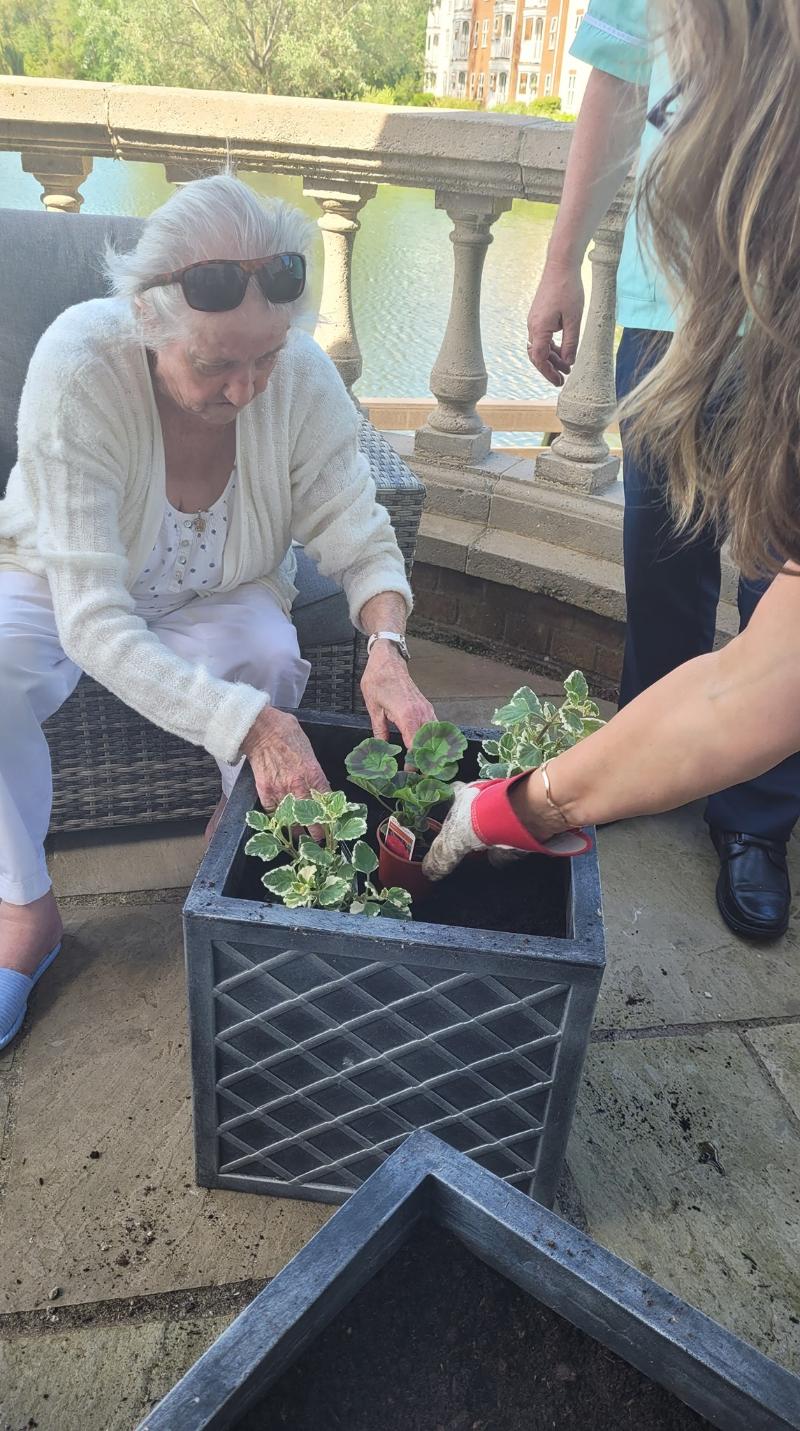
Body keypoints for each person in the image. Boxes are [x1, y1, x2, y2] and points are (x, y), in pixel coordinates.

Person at [0, 174, 435, 1049]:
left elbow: (359, 530)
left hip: (222, 582)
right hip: (62, 579)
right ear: (148, 320)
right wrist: (251, 727)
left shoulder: (300, 378)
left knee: (272, 651)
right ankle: (24, 910)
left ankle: (226, 837)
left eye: (265, 356)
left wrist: (385, 643)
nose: (246, 390)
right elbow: (90, 616)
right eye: (214, 364)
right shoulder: (79, 361)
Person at [424, 0, 800, 889]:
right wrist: (518, 807)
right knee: (665, 546)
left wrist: (517, 805)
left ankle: (756, 820)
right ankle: (650, 776)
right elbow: (769, 674)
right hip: (679, 314)